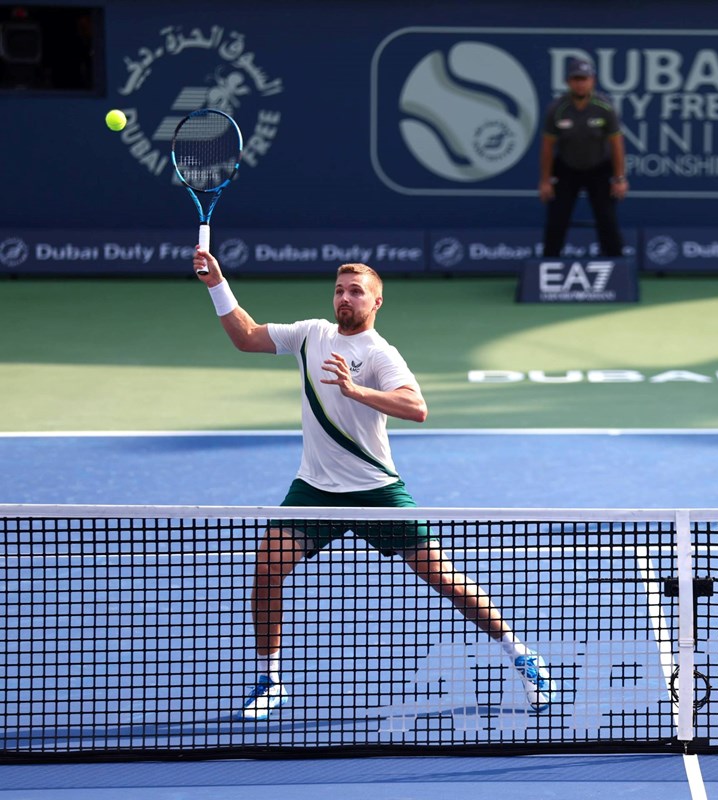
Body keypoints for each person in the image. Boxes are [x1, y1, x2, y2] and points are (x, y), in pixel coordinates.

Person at [191, 249, 557, 720]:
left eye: (356, 291)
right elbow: (245, 337)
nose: (345, 298)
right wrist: (216, 284)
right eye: (340, 290)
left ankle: (523, 656)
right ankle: (270, 679)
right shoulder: (310, 335)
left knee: (442, 579)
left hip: (375, 488)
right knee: (266, 572)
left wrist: (356, 390)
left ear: (376, 302)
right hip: (316, 488)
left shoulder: (381, 354)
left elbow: (416, 407)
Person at [538, 56, 627, 258]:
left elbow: (617, 145)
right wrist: (545, 181)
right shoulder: (556, 109)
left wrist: (620, 178)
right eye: (576, 79)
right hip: (567, 167)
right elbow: (547, 147)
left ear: (592, 81)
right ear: (568, 82)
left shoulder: (605, 107)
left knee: (607, 219)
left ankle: (616, 266)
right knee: (557, 218)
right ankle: (548, 265)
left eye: (584, 79)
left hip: (599, 168)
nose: (580, 84)